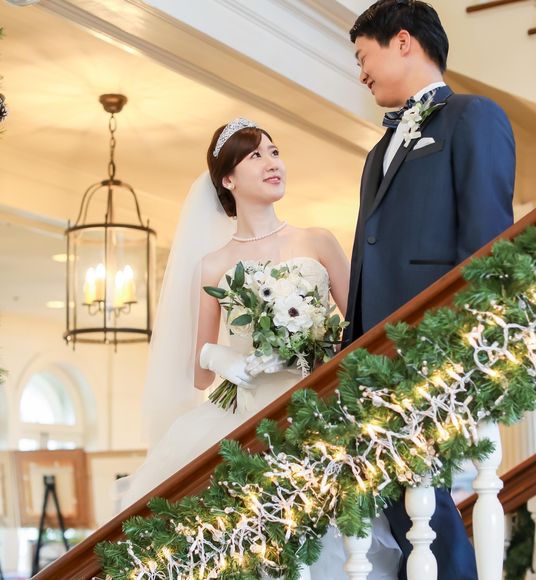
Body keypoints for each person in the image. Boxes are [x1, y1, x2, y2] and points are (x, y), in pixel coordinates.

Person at [118, 118, 401, 579]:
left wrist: (317, 353)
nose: (273, 163)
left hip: (316, 409)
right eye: (255, 156)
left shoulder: (317, 240)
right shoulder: (214, 265)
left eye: (274, 152)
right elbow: (200, 372)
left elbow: (362, 330)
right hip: (246, 416)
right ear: (228, 180)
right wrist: (221, 357)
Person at [345, 1, 515, 579]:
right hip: (372, 356)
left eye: (363, 56)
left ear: (402, 41)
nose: (361, 73)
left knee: (426, 499)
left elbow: (486, 239)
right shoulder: (377, 151)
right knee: (399, 503)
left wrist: (466, 341)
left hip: (430, 345)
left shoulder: (473, 117)